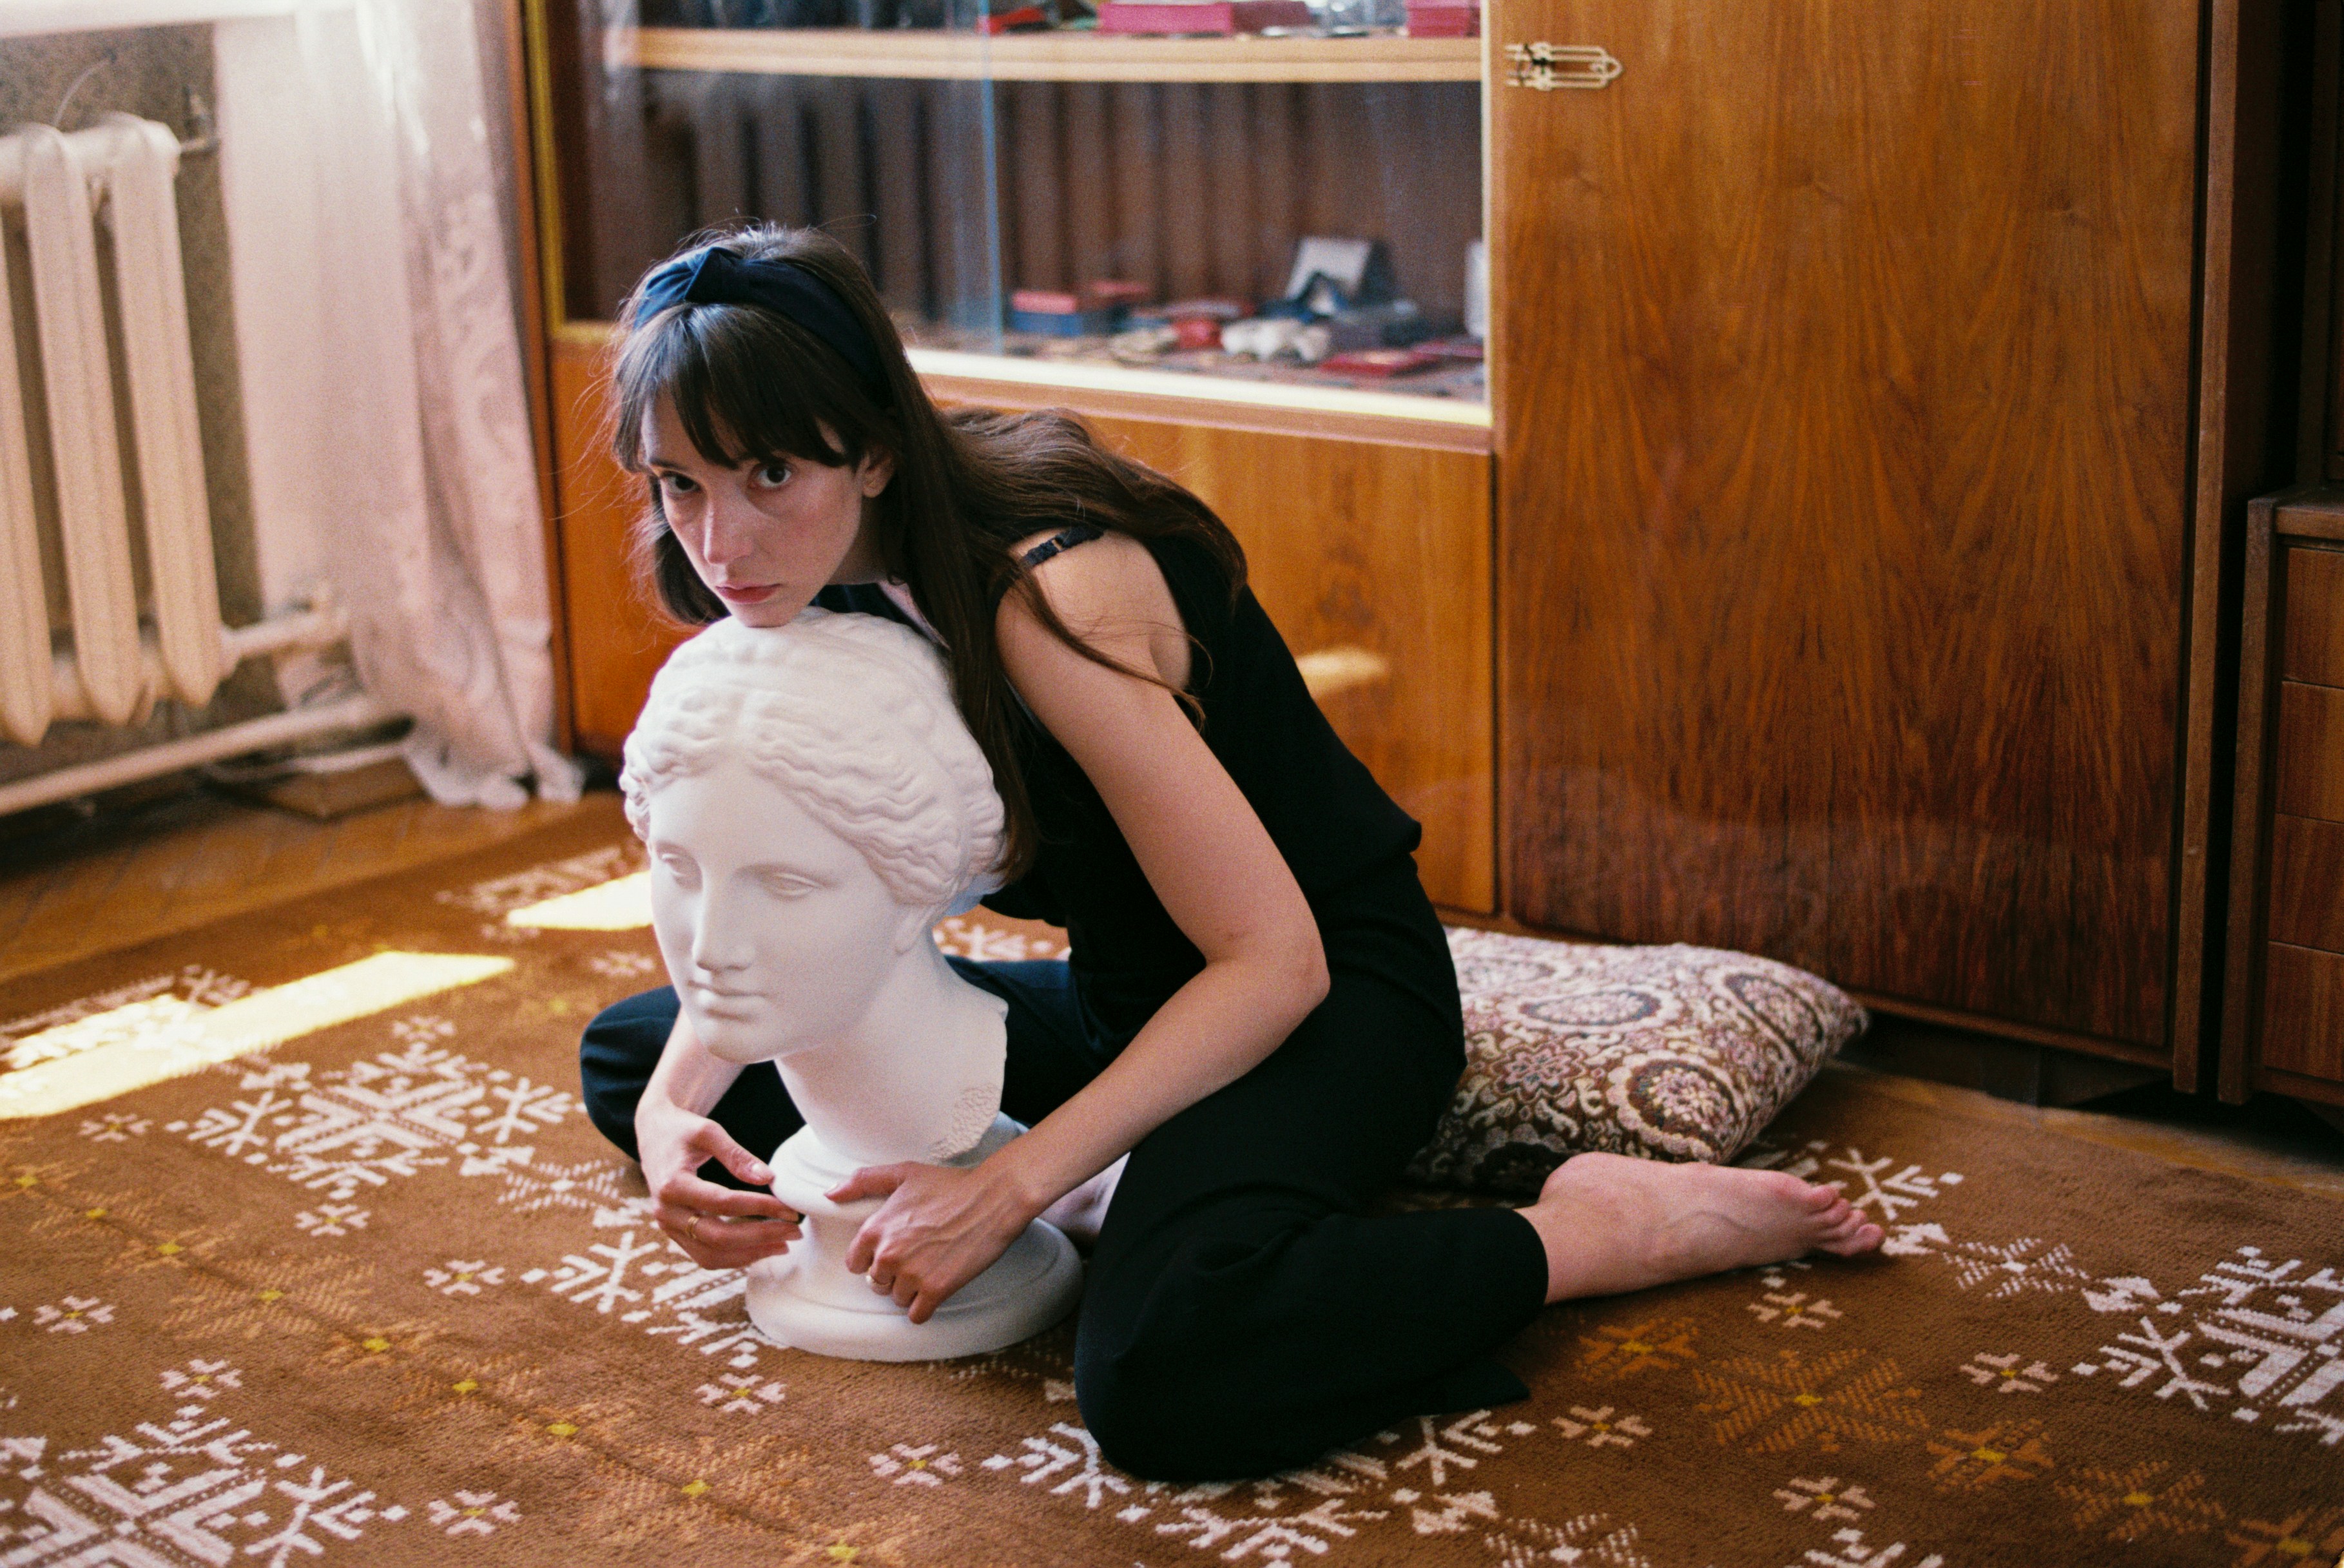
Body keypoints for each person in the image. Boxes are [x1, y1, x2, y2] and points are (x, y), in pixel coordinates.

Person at [577, 224, 1885, 1482]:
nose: (720, 539)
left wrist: (1016, 1181)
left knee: (1164, 1364)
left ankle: (1589, 1228)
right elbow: (749, 930)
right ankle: (1129, 1170)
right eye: (679, 482)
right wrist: (667, 1114)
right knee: (639, 1051)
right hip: (1134, 993)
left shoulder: (1047, 591)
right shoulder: (796, 583)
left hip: (1324, 996)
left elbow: (1274, 961)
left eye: (770, 475)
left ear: (871, 447)